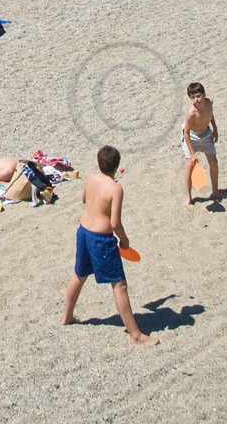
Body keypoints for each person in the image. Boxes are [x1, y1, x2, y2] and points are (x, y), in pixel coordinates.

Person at [62, 145, 158, 344]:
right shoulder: (116, 189)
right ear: (117, 166)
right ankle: (135, 335)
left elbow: (84, 200)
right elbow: (114, 222)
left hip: (83, 232)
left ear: (99, 163)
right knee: (119, 284)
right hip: (101, 239)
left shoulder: (90, 178)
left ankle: (67, 316)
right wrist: (124, 240)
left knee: (79, 275)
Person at [182, 81, 220, 205]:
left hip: (205, 134)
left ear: (204, 94)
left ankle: (215, 191)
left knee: (213, 162)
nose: (196, 100)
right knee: (189, 165)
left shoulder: (210, 102)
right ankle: (188, 197)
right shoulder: (191, 113)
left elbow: (210, 114)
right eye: (193, 98)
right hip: (191, 137)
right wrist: (192, 154)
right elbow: (186, 134)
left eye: (198, 96)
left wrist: (215, 129)